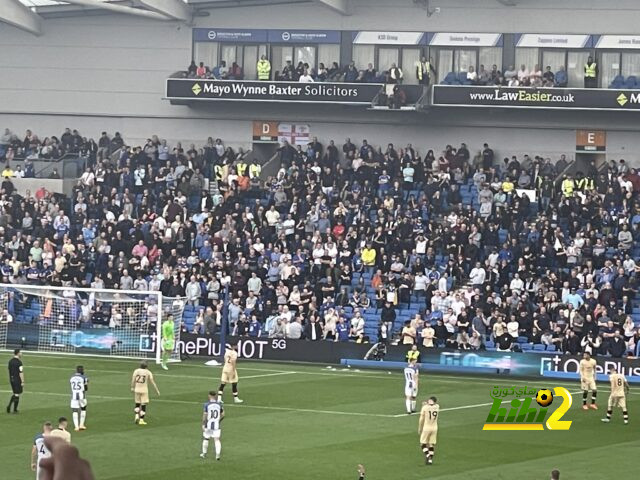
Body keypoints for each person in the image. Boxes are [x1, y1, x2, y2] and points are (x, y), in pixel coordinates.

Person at [131, 361, 160, 425]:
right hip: (144, 390)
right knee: (143, 404)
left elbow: (133, 379)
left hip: (137, 389)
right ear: (146, 366)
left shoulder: (136, 371)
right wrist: (157, 390)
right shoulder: (148, 372)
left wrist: (132, 387)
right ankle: (141, 420)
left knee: (137, 403)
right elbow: (152, 382)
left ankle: (136, 416)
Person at [200, 391, 224, 460]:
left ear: (209, 396)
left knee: (206, 438)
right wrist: (218, 421)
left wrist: (203, 424)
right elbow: (223, 414)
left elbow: (205, 416)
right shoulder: (219, 404)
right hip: (216, 425)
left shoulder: (207, 405)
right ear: (215, 396)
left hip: (208, 425)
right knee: (217, 439)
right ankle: (217, 455)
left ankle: (204, 454)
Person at [418, 396, 439, 465]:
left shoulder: (425, 408)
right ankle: (430, 461)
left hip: (426, 428)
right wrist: (426, 403)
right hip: (435, 428)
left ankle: (428, 456)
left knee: (422, 443)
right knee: (431, 444)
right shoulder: (437, 406)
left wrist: (419, 428)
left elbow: (421, 419)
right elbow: (431, 406)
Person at [69, 365, 89, 431]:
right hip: (81, 396)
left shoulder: (71, 377)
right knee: (83, 409)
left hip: (74, 396)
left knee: (75, 410)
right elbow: (86, 389)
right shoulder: (84, 378)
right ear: (82, 370)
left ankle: (76, 427)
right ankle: (81, 425)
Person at [7, 348, 24, 413]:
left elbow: (9, 370)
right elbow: (21, 372)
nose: (21, 354)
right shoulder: (19, 362)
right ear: (18, 353)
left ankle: (10, 407)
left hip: (11, 379)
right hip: (17, 379)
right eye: (21, 352)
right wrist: (22, 381)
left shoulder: (10, 361)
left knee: (15, 393)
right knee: (17, 394)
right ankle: (14, 409)